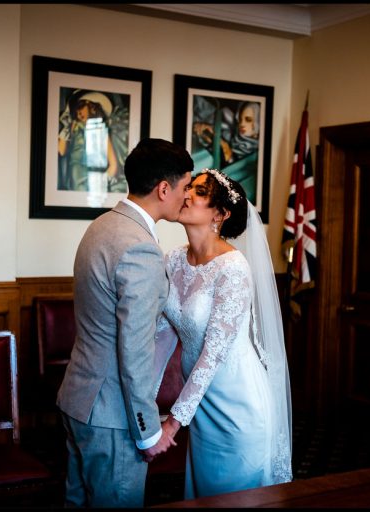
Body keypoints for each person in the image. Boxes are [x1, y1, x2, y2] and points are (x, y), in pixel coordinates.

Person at [56, 138, 193, 507]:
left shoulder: (101, 226)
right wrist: (148, 432)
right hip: (111, 414)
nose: (187, 196)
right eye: (185, 186)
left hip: (78, 398)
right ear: (164, 188)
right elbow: (134, 350)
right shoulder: (140, 248)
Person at [152, 168, 293, 499]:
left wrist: (172, 423)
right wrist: (142, 400)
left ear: (221, 213)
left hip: (238, 404)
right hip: (201, 403)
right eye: (189, 188)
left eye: (199, 192)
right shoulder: (174, 260)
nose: (186, 195)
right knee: (204, 493)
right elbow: (163, 335)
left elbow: (213, 353)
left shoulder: (233, 268)